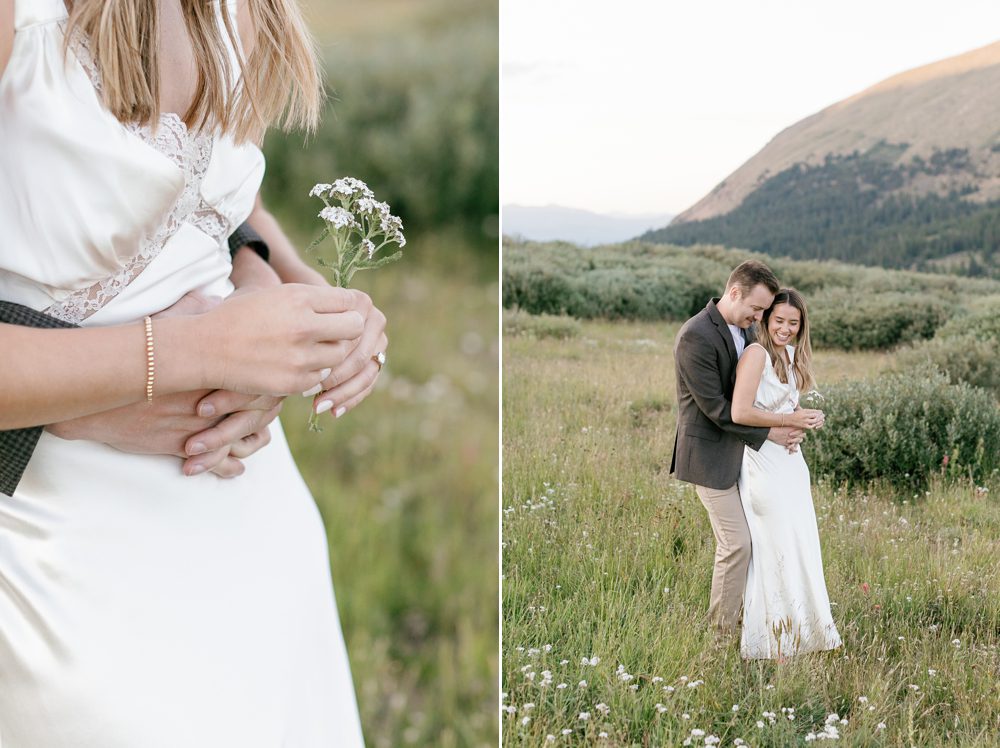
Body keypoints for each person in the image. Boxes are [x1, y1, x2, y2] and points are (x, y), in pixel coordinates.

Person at [0, 0, 381, 743]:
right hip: (72, 565)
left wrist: (300, 294)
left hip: (258, 523)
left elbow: (223, 201)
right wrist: (192, 355)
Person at [670, 260, 803, 636]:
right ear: (734, 293)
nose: (760, 317)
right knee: (737, 545)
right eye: (756, 309)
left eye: (764, 311)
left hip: (741, 459)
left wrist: (791, 414)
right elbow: (716, 409)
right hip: (709, 459)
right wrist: (772, 432)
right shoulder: (695, 335)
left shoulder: (743, 332)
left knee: (759, 539)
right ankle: (720, 634)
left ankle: (752, 622)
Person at [731, 288, 841, 659]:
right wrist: (788, 421)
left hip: (792, 465)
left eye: (793, 323)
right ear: (765, 319)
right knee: (772, 549)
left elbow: (785, 405)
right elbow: (741, 412)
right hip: (763, 464)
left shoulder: (790, 356)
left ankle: (804, 635)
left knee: (799, 547)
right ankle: (771, 642)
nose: (785, 328)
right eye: (779, 320)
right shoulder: (755, 354)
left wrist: (806, 418)